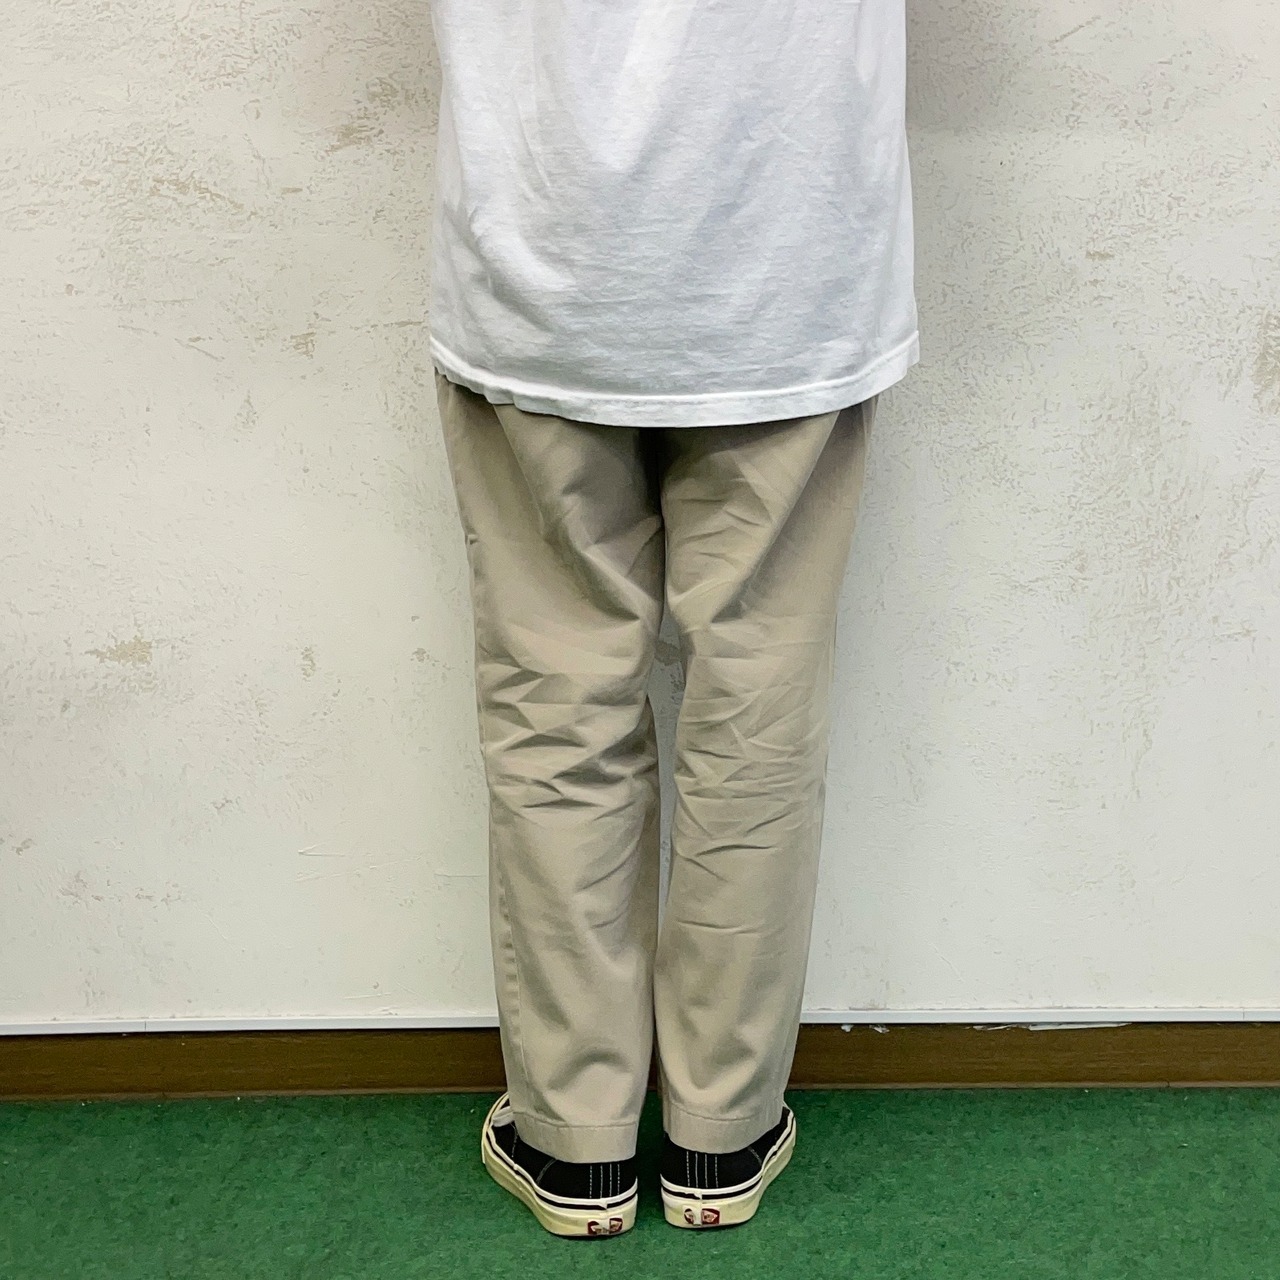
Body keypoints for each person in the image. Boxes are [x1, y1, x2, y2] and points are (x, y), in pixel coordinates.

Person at [426, 0, 917, 1237]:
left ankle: (574, 1140)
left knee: (556, 702)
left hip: (540, 248)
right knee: (758, 702)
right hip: (788, 254)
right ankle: (722, 1128)